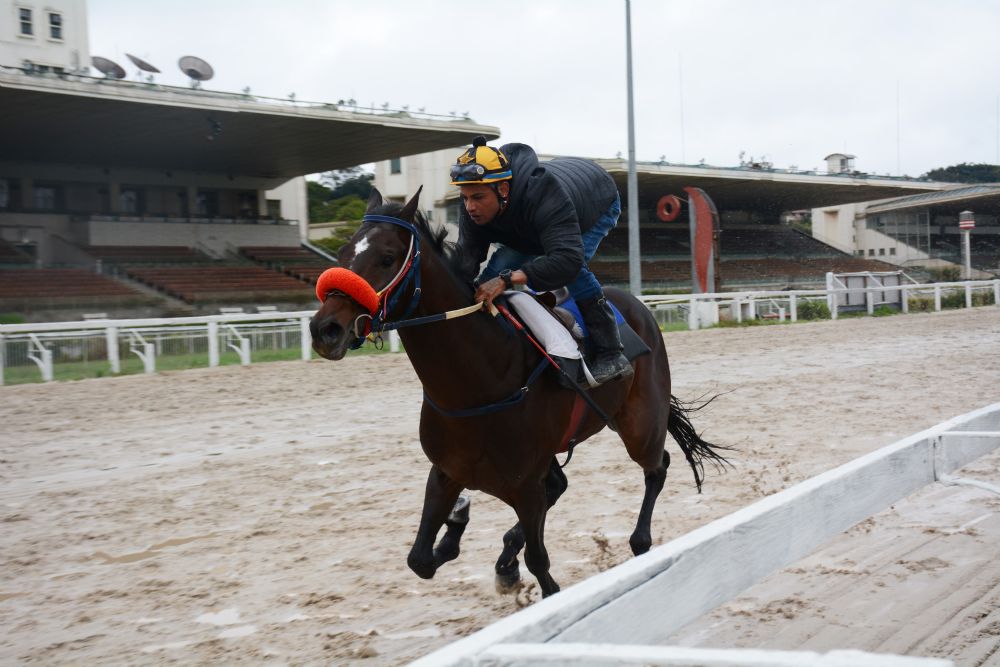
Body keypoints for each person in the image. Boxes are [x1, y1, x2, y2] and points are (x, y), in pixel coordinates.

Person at [451, 135, 632, 385]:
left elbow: (567, 260)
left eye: (478, 198)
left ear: (503, 189)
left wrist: (507, 280)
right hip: (530, 226)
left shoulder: (545, 195)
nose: (470, 206)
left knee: (574, 271)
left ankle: (610, 352)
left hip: (596, 200)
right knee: (492, 274)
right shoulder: (473, 204)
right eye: (465, 197)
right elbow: (466, 261)